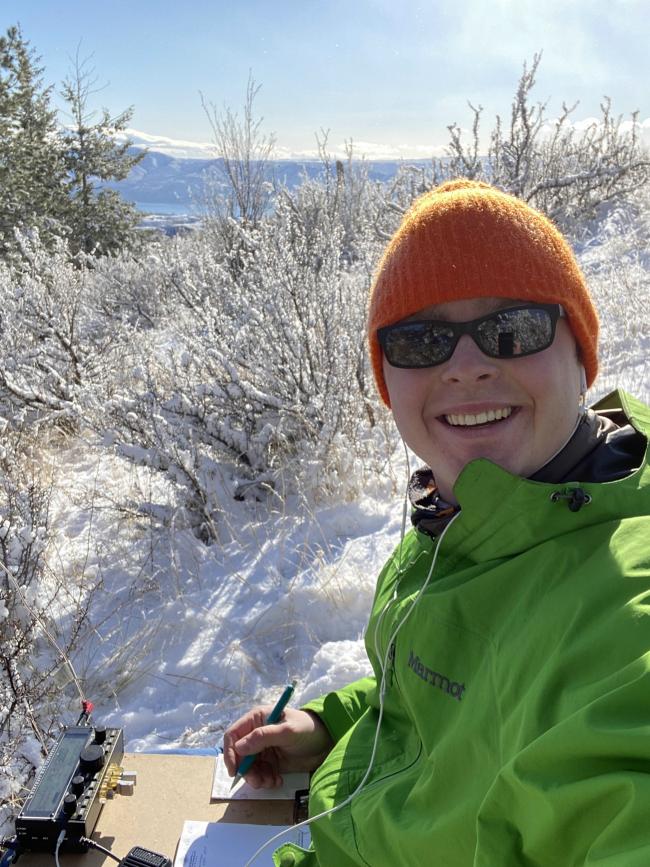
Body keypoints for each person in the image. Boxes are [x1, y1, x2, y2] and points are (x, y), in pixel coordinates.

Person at [223, 180, 649, 866]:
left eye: (513, 329)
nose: (468, 367)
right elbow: (456, 694)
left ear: (581, 351)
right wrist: (331, 724)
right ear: (388, 378)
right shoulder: (466, 514)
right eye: (423, 340)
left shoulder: (623, 612)